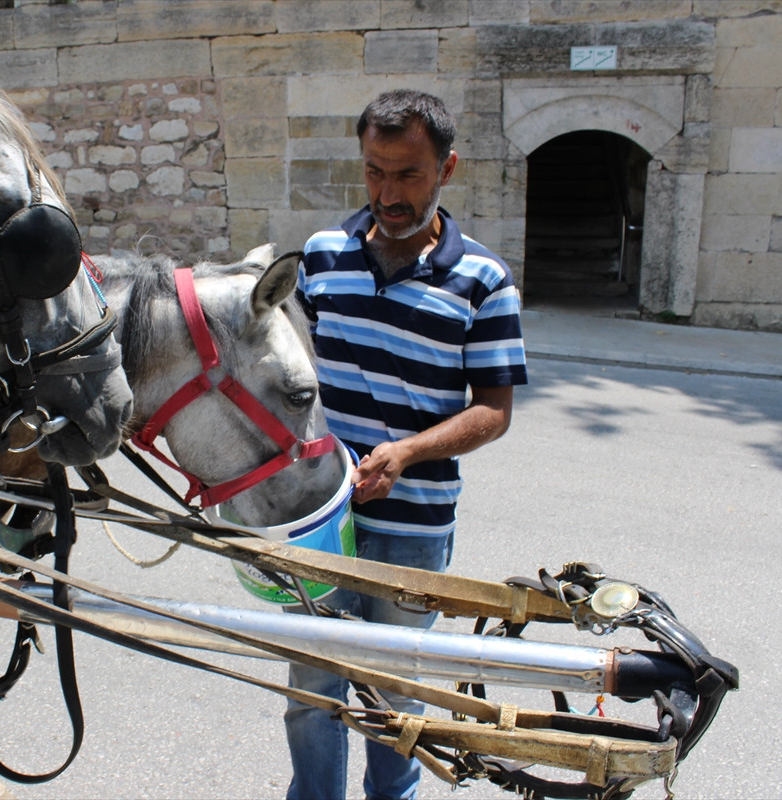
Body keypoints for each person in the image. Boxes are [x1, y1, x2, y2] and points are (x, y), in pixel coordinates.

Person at [286, 89, 528, 800]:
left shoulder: (484, 280)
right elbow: (288, 372)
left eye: (408, 175)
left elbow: (493, 411)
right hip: (322, 521)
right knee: (312, 691)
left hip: (415, 528)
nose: (388, 194)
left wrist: (407, 453)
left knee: (395, 699)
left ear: (447, 169)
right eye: (374, 172)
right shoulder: (321, 258)